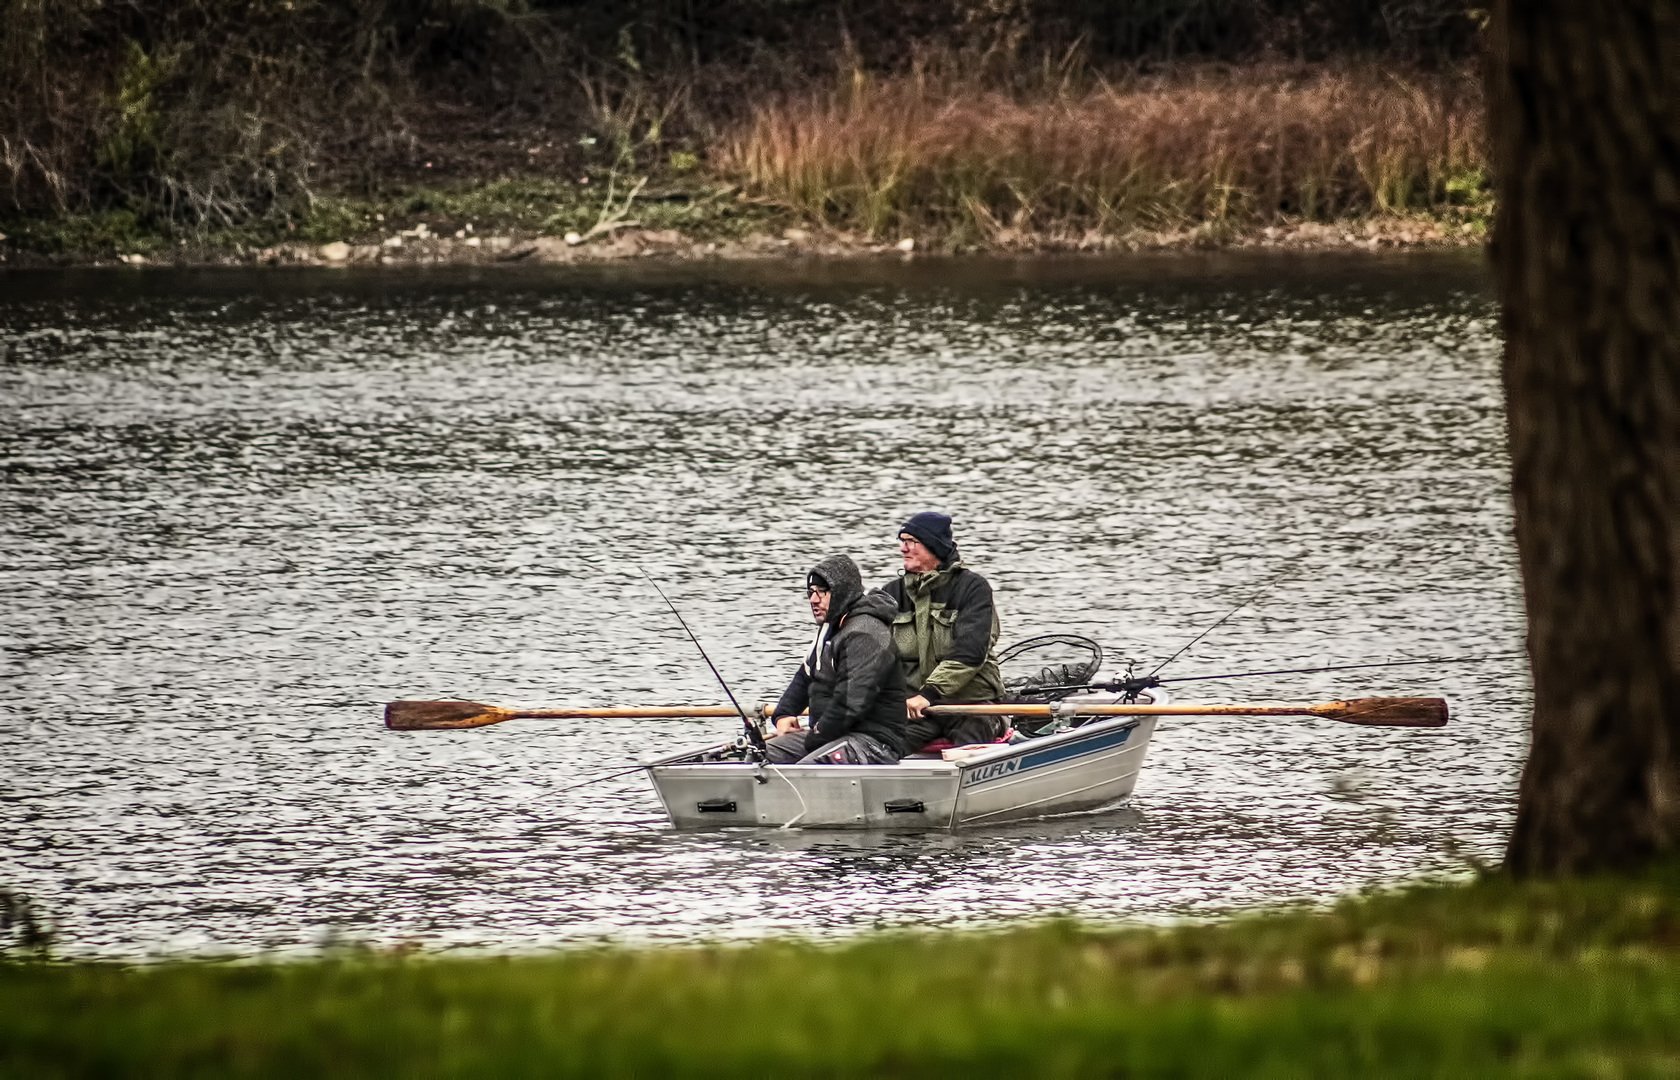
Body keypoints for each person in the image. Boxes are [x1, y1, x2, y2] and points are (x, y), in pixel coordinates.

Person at [878, 511, 1007, 752]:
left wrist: (930, 693)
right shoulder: (890, 594)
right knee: (881, 743)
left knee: (973, 737)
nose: (902, 549)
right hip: (916, 709)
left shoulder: (973, 588)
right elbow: (871, 656)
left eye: (911, 542)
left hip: (971, 706)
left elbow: (969, 655)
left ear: (933, 546)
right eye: (901, 541)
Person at [764, 553, 908, 765]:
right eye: (811, 592)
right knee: (757, 756)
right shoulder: (830, 628)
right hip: (830, 735)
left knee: (803, 772)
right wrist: (783, 714)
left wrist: (815, 737)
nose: (813, 600)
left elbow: (850, 703)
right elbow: (805, 676)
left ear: (843, 593)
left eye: (822, 592)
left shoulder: (866, 633)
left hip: (873, 741)